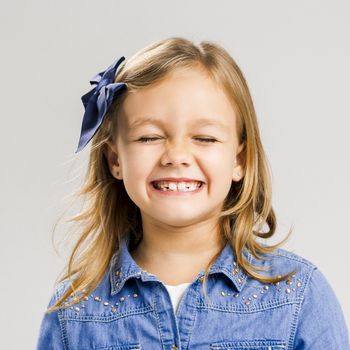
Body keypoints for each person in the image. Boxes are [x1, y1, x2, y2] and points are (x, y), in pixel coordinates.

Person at [36, 37, 349, 349]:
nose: (177, 155)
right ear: (115, 159)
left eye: (204, 138)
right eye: (149, 137)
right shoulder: (73, 314)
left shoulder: (298, 295)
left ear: (239, 159)